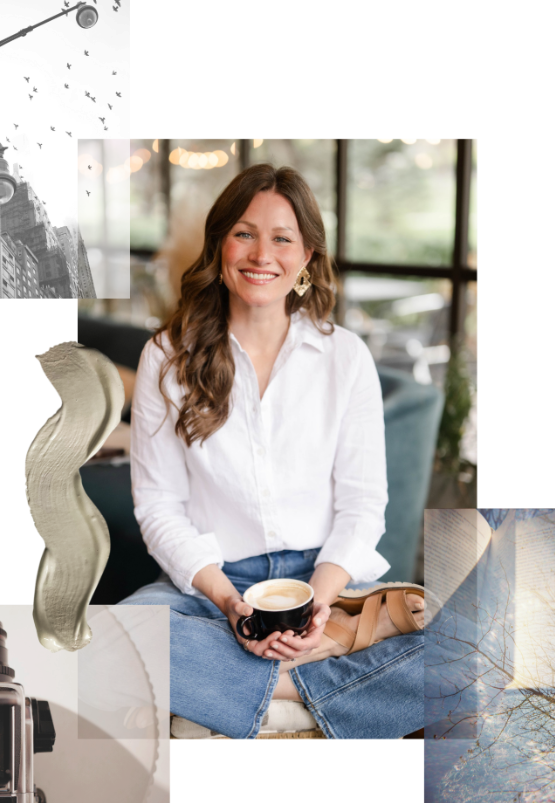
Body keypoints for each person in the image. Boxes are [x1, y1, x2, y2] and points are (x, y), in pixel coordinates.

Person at [118, 163, 424, 740]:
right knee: (117, 633)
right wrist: (233, 605)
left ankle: (266, 680)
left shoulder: (346, 358)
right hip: (215, 590)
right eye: (244, 233)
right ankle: (311, 687)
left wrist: (322, 607)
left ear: (307, 255)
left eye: (282, 238)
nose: (262, 254)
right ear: (220, 245)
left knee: (466, 645)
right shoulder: (167, 355)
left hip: (327, 584)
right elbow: (158, 506)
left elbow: (363, 505)